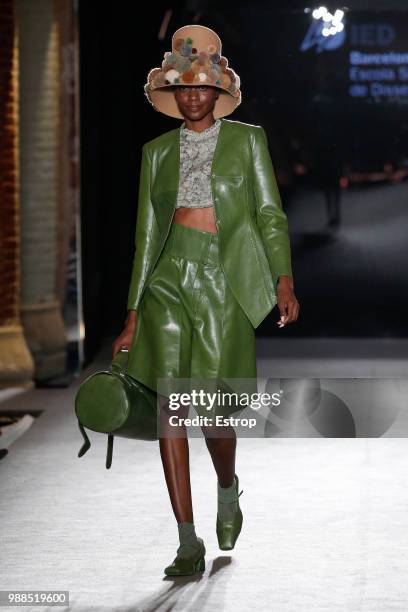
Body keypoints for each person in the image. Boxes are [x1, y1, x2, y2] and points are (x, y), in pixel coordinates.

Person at [112, 24, 299, 576]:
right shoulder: (154, 153)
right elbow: (145, 236)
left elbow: (269, 214)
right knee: (173, 406)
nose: (193, 95)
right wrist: (131, 315)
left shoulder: (248, 140)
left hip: (224, 277)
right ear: (174, 95)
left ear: (218, 92)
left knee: (215, 408)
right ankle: (187, 540)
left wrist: (283, 279)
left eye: (202, 87)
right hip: (168, 276)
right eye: (184, 87)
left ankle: (226, 484)